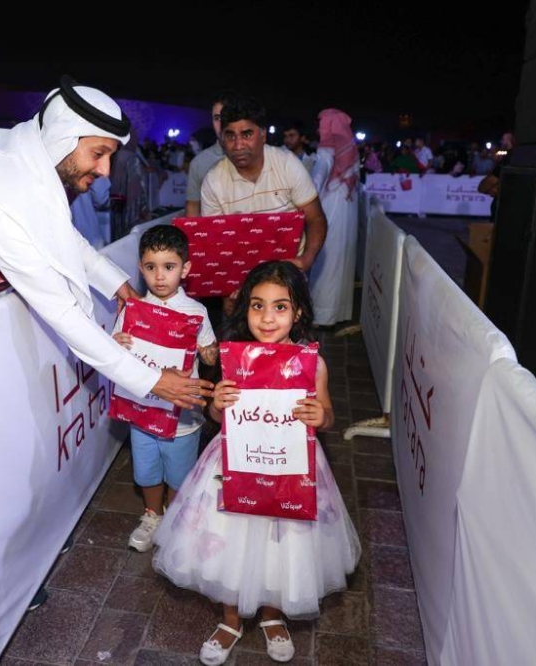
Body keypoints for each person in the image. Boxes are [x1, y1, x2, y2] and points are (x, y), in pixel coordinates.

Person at [0, 76, 213, 411]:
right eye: (98, 153)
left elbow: (62, 234)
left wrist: (118, 284)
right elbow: (62, 311)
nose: (106, 170)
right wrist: (151, 380)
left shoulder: (26, 162)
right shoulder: (3, 191)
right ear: (62, 139)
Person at [152, 260, 361, 665]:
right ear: (244, 309)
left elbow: (328, 414)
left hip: (290, 468)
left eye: (280, 307)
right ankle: (230, 618)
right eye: (257, 306)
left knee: (280, 546)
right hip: (234, 464)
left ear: (297, 312)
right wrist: (218, 404)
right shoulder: (234, 360)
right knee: (230, 543)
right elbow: (218, 417)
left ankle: (272, 614)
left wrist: (321, 416)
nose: (268, 317)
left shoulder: (310, 363)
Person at [110, 225, 218, 552]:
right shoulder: (132, 310)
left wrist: (208, 351)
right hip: (142, 410)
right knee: (146, 470)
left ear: (185, 269)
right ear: (140, 268)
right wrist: (114, 342)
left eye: (169, 267)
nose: (159, 276)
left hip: (182, 416)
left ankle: (176, 517)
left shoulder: (196, 312)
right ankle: (152, 515)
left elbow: (211, 353)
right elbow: (116, 354)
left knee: (179, 472)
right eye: (150, 267)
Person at [200, 94, 328, 274]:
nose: (238, 145)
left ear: (263, 135)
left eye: (247, 134)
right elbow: (215, 243)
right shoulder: (213, 181)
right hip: (241, 278)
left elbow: (315, 219)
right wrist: (226, 292)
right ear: (221, 139)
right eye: (230, 136)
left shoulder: (287, 164)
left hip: (289, 272)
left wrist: (307, 259)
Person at [309, 108, 360, 328]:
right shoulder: (349, 147)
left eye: (323, 123)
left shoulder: (328, 147)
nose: (320, 127)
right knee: (340, 258)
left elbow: (318, 177)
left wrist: (305, 197)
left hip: (330, 205)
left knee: (326, 258)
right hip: (346, 207)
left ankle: (322, 315)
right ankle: (337, 312)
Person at [184, 90, 238, 217]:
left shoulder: (260, 156)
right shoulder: (199, 163)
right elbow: (193, 211)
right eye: (217, 118)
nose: (222, 123)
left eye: (228, 116)